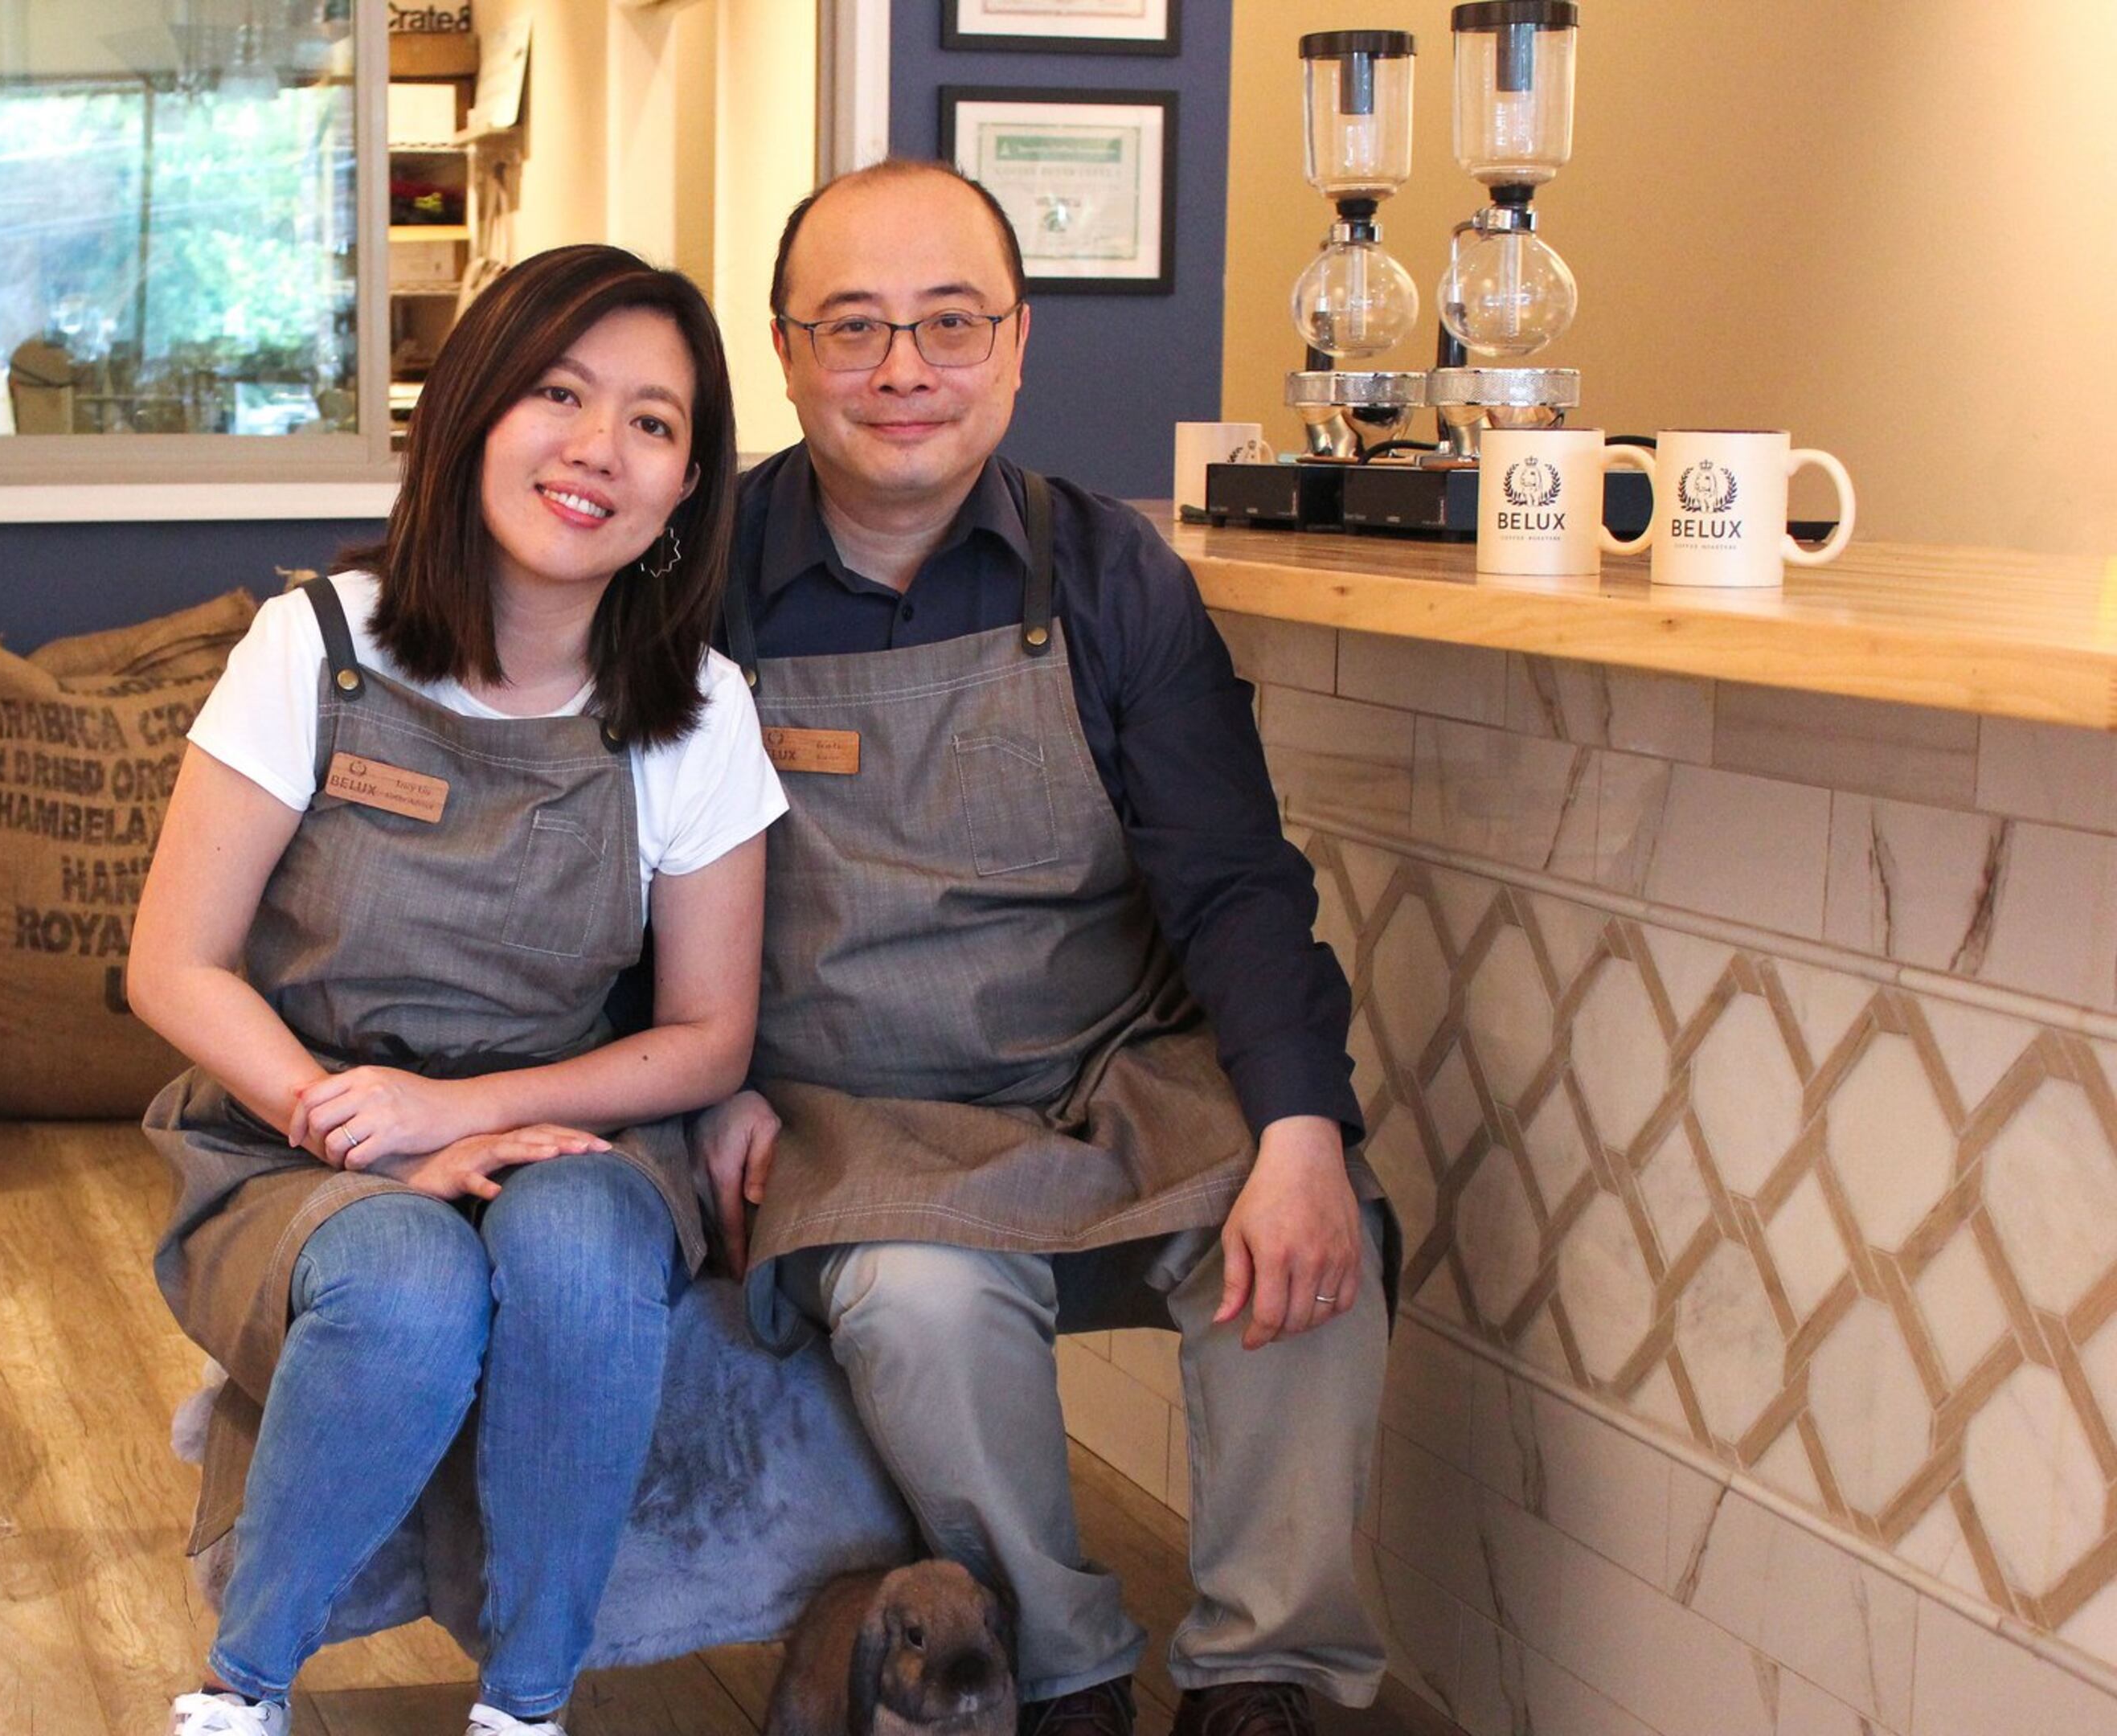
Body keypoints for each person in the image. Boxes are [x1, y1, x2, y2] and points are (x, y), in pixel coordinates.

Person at [697, 162, 1393, 1736]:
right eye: (855, 327)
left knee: (1313, 1233)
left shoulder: (1112, 573)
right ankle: (1060, 1674)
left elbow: (1234, 880)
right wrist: (698, 1089)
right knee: (924, 1310)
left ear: (1017, 345)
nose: (903, 371)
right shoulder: (698, 585)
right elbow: (618, 876)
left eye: (950, 324)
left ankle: (1264, 1678)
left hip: (1111, 1071)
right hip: (851, 1105)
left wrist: (1295, 1125)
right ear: (788, 350)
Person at [133, 244, 788, 1736]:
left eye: (652, 422)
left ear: (685, 489)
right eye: (559, 393)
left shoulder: (700, 713)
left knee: (571, 1254)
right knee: (406, 1285)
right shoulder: (317, 648)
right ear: (473, 413)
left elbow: (708, 1034)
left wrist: (477, 1110)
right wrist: (371, 1128)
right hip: (303, 1134)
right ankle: (244, 1692)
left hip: (573, 1129)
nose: (596, 449)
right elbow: (173, 964)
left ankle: (527, 1705)